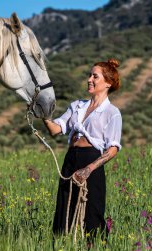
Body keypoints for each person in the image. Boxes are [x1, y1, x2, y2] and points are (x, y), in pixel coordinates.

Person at [43, 59, 122, 241]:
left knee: (91, 210)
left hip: (91, 161)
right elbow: (56, 129)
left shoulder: (112, 112)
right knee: (64, 205)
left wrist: (88, 169)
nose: (89, 79)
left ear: (108, 83)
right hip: (71, 158)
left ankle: (95, 247)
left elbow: (112, 149)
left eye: (95, 76)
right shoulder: (77, 105)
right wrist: (44, 115)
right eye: (89, 75)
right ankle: (62, 244)